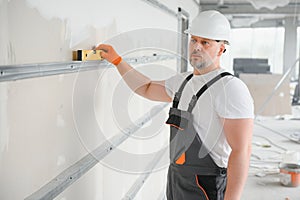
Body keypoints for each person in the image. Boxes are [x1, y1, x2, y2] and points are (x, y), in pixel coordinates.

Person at [96, 10, 254, 200]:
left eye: (205, 43)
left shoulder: (230, 88)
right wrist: (117, 61)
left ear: (221, 49)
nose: (197, 47)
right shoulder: (183, 82)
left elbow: (242, 150)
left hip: (207, 184)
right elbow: (145, 88)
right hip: (177, 179)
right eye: (193, 40)